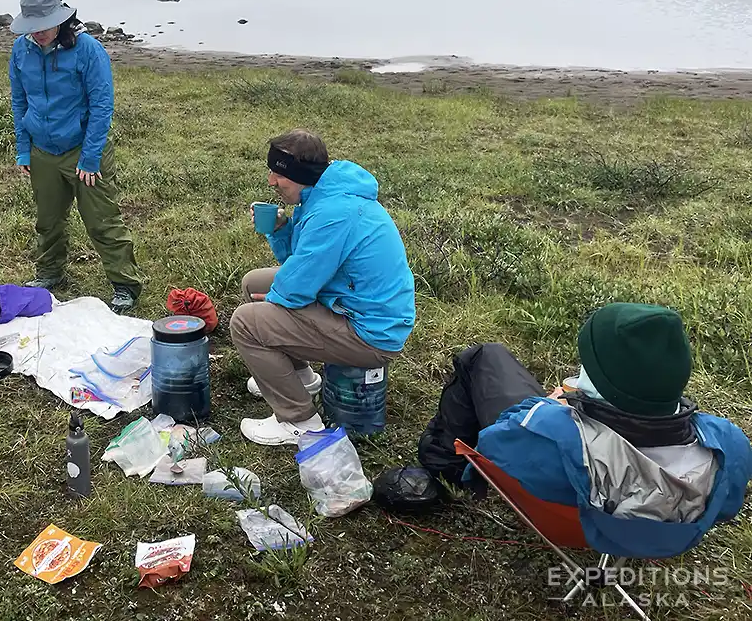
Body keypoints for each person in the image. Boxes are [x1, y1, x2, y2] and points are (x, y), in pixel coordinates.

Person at [419, 303, 750, 558]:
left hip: (572, 521)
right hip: (659, 533)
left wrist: (551, 405)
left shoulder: (549, 435)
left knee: (484, 357)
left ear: (600, 385)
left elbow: (493, 445)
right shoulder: (729, 445)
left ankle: (442, 467)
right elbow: (725, 507)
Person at [231, 129, 416, 446]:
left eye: (278, 173)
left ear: (300, 175)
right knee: (254, 283)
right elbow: (302, 263)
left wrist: (274, 303)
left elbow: (295, 289)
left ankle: (299, 421)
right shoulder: (322, 195)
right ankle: (300, 378)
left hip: (370, 335)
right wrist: (281, 230)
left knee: (246, 322)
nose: (271, 181)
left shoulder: (333, 213)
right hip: (352, 307)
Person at [7, 0, 143, 314]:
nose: (38, 33)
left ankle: (125, 284)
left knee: (101, 220)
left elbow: (101, 105)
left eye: (44, 26)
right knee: (48, 219)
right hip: (42, 150)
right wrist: (23, 149)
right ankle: (50, 272)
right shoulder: (20, 50)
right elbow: (19, 99)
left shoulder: (87, 49)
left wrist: (91, 157)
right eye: (32, 27)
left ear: (60, 19)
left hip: (82, 148)